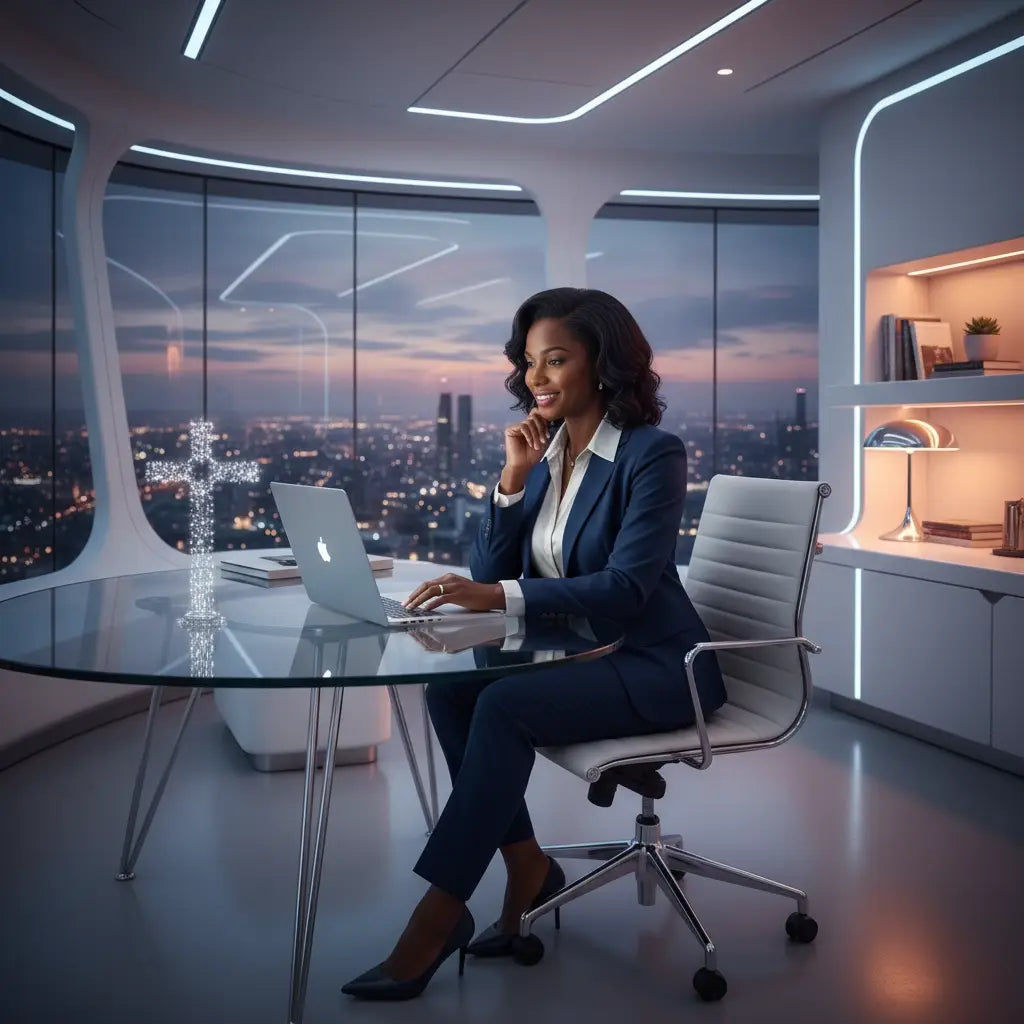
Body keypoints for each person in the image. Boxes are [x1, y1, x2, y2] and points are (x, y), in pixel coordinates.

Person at [341, 287, 726, 1001]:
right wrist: (514, 482)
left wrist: (497, 597)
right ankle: (527, 866)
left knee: (505, 706)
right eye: (529, 362)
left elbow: (626, 590)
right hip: (586, 654)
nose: (539, 377)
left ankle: (438, 914)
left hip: (659, 665)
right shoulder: (547, 457)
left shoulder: (651, 454)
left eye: (557, 360)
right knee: (452, 692)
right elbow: (493, 574)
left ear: (602, 365)